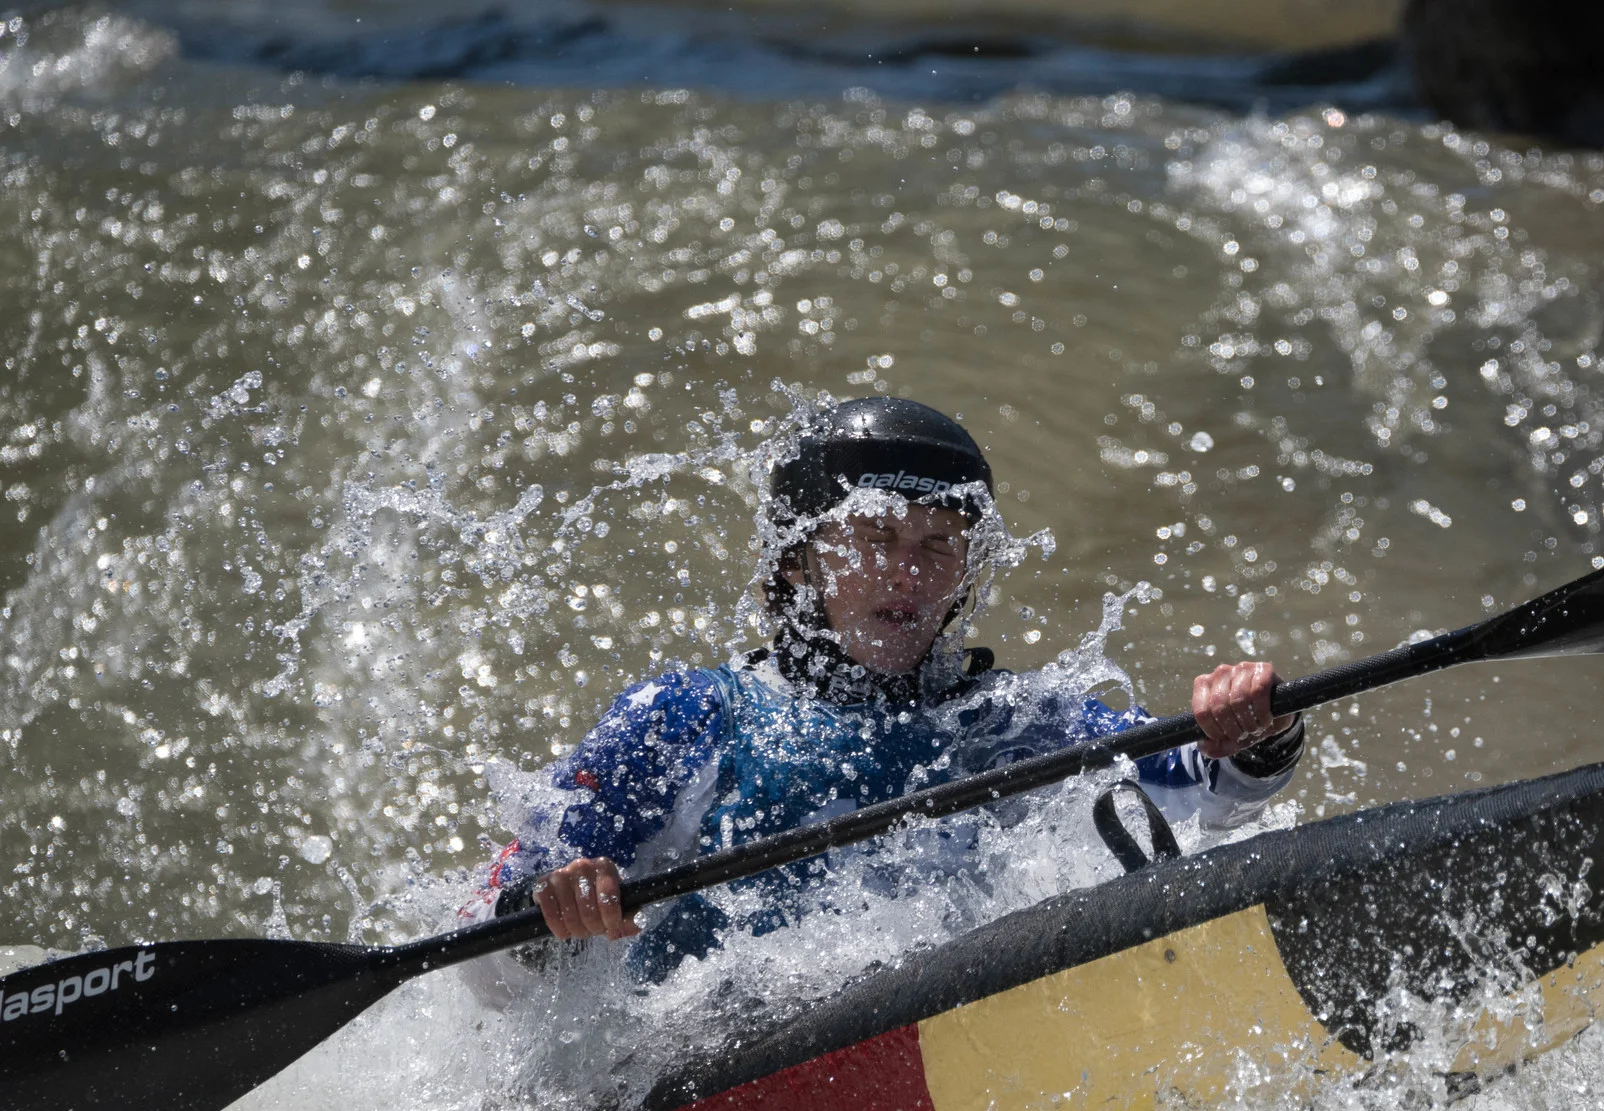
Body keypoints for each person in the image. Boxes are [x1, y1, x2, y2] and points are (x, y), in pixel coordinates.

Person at [473, 396, 1302, 983]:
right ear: (800, 560)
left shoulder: (1011, 723)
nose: (909, 571)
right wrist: (553, 915)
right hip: (709, 1084)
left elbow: (1201, 792)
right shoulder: (687, 718)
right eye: (875, 536)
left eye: (940, 543)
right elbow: (491, 943)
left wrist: (1249, 732)